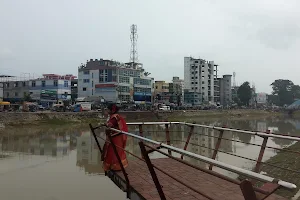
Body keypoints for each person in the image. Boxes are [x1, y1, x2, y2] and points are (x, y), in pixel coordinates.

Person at [102, 103, 128, 171]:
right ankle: (116, 166)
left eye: (108, 109)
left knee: (113, 151)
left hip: (116, 137)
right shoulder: (114, 116)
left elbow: (110, 125)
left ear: (111, 110)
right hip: (116, 136)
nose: (107, 110)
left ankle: (115, 166)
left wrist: (106, 124)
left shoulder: (114, 117)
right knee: (116, 151)